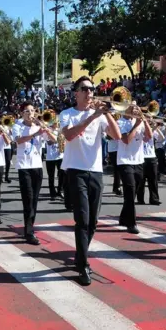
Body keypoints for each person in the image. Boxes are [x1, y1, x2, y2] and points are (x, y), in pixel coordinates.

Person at [60, 76, 121, 286]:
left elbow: (117, 136)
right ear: (75, 92)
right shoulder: (67, 114)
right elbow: (69, 135)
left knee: (93, 222)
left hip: (95, 171)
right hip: (76, 170)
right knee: (83, 220)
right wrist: (92, 116)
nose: (89, 93)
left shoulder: (100, 115)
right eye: (84, 89)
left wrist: (107, 114)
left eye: (92, 89)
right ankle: (83, 264)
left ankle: (80, 254)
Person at [13, 102, 54, 245]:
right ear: (22, 114)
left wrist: (46, 130)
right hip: (24, 166)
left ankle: (30, 227)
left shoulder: (39, 126)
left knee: (34, 200)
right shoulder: (17, 126)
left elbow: (53, 141)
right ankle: (29, 232)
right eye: (27, 111)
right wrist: (36, 133)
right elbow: (19, 140)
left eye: (32, 110)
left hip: (37, 166)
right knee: (28, 199)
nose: (31, 113)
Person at [117, 104, 153, 233]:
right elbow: (126, 140)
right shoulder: (120, 122)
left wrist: (145, 121)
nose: (134, 109)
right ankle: (131, 223)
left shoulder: (139, 121)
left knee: (133, 192)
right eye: (131, 107)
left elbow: (149, 137)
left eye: (136, 107)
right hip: (125, 161)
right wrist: (137, 124)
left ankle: (122, 217)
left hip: (139, 161)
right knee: (130, 191)